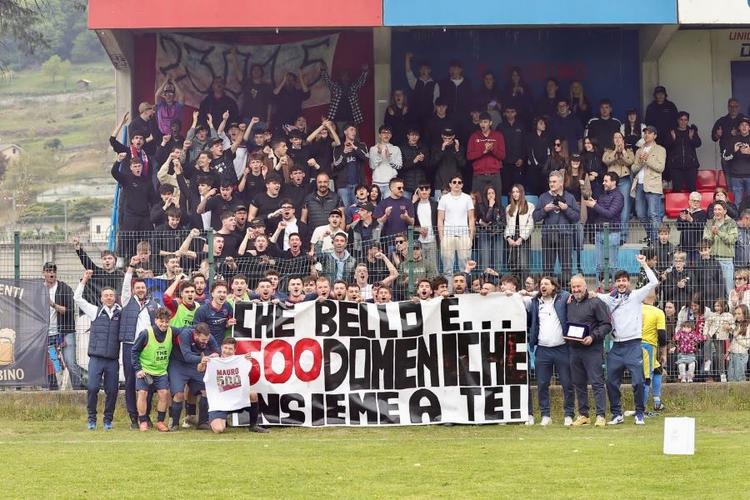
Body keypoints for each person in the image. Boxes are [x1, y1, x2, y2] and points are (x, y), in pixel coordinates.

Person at [596, 254, 658, 425]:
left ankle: (639, 413)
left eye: (624, 280)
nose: (621, 283)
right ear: (614, 283)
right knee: (610, 382)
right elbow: (592, 295)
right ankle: (617, 414)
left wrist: (644, 264)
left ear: (629, 282)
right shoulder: (610, 298)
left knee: (638, 382)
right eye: (618, 281)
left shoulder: (636, 295)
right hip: (616, 347)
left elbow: (654, 282)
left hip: (633, 345)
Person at [74, 270, 122, 430]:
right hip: (96, 358)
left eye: (111, 295)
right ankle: (92, 419)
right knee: (93, 388)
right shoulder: (95, 311)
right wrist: (84, 280)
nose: (109, 298)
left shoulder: (121, 313)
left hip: (112, 360)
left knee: (112, 391)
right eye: (106, 295)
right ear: (101, 298)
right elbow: (77, 298)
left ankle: (108, 420)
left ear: (115, 297)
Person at [526, 276, 574, 426]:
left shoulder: (563, 298)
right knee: (542, 384)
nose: (543, 286)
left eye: (546, 284)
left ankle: (569, 414)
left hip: (562, 348)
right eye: (541, 284)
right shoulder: (534, 302)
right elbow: (521, 299)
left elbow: (573, 294)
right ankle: (545, 415)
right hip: (542, 350)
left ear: (554, 286)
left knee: (567, 383)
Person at [120, 257, 161, 428]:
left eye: (142, 287)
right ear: (133, 290)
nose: (140, 290)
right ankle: (133, 417)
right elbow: (125, 285)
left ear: (146, 289)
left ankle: (145, 416)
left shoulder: (154, 304)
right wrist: (131, 267)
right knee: (130, 383)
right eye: (137, 288)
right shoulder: (126, 301)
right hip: (130, 346)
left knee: (148, 383)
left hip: (148, 348)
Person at [566, 275, 611, 427]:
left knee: (597, 383)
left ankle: (601, 415)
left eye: (578, 286)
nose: (576, 289)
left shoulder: (595, 302)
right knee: (578, 383)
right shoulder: (569, 303)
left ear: (585, 287)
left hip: (592, 349)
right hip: (574, 349)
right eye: (573, 287)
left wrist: (593, 336)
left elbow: (606, 325)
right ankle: (584, 415)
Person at [199, 337, 268, 434]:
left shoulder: (240, 360)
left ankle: (253, 425)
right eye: (225, 348)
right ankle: (216, 420)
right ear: (221, 347)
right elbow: (200, 369)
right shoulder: (214, 359)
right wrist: (202, 363)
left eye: (230, 349)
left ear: (235, 350)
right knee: (219, 429)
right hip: (220, 402)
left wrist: (246, 360)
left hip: (237, 398)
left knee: (253, 394)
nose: (227, 351)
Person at [131, 307, 176, 432]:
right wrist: (138, 369)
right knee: (142, 393)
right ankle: (143, 421)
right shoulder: (146, 333)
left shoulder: (171, 331)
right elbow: (134, 351)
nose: (164, 324)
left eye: (167, 322)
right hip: (145, 370)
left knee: (164, 394)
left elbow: (186, 331)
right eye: (161, 321)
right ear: (156, 320)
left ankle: (160, 422)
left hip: (161, 371)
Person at [168, 322, 220, 430]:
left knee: (205, 391)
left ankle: (202, 422)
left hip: (195, 365)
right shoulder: (185, 334)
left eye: (207, 340)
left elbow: (217, 350)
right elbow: (187, 356)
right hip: (178, 364)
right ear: (196, 335)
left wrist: (216, 354)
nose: (206, 342)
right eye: (203, 340)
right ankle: (174, 423)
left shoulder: (208, 336)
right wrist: (202, 358)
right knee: (179, 394)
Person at [533, 170, 580, 285]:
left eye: (554, 182)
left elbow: (576, 217)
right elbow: (535, 216)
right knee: (547, 267)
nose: (551, 184)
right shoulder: (543, 197)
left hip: (565, 235)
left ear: (561, 183)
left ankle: (566, 290)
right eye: (550, 182)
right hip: (548, 236)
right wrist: (545, 209)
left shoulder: (569, 197)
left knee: (566, 267)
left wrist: (566, 209)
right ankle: (548, 290)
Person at [43, 262, 81, 390]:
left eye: (53, 271)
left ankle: (78, 391)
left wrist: (53, 304)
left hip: (65, 332)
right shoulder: (39, 289)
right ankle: (53, 392)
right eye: (48, 271)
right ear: (43, 273)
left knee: (70, 362)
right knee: (51, 365)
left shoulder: (64, 288)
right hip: (47, 334)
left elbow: (70, 310)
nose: (51, 273)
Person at [584, 172, 624, 286]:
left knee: (612, 265)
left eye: (606, 181)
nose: (603, 183)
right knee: (599, 265)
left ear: (614, 182)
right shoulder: (602, 195)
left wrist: (595, 206)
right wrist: (593, 204)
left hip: (612, 233)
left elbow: (610, 213)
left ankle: (614, 289)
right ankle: (599, 289)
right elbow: (599, 211)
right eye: (603, 181)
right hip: (599, 231)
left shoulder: (618, 196)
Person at [631, 125, 666, 245]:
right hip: (640, 184)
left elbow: (660, 168)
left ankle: (656, 242)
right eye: (645, 132)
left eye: (649, 133)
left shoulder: (660, 149)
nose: (646, 135)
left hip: (653, 185)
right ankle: (652, 236)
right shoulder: (639, 150)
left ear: (655, 135)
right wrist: (641, 162)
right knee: (640, 213)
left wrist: (647, 160)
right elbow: (634, 168)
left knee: (653, 214)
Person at [438, 175, 475, 280]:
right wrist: (442, 238)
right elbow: (440, 219)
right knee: (447, 269)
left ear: (462, 185)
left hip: (463, 235)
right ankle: (449, 289)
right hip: (448, 236)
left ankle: (464, 289)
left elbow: (471, 218)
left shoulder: (467, 198)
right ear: (450, 184)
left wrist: (470, 237)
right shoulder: (444, 198)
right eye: (454, 182)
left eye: (459, 182)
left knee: (465, 268)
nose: (457, 184)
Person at [602, 132, 634, 243]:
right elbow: (606, 160)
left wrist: (623, 150)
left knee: (625, 209)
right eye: (615, 137)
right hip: (612, 182)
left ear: (623, 140)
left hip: (625, 181)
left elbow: (630, 161)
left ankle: (622, 237)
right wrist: (615, 150)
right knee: (611, 208)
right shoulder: (608, 150)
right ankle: (612, 235)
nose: (617, 139)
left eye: (620, 137)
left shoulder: (629, 150)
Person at [703, 200, 738, 297]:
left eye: (719, 209)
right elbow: (706, 241)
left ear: (725, 211)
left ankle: (729, 306)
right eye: (715, 209)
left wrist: (718, 232)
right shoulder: (709, 223)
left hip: (726, 260)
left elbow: (732, 239)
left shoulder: (731, 223)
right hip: (712, 260)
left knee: (728, 289)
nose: (717, 212)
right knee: (714, 290)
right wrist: (712, 234)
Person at [466, 112, 506, 197]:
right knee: (478, 201)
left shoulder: (498, 135)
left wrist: (492, 149)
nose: (483, 124)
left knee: (496, 201)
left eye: (485, 122)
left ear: (490, 123)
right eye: (481, 122)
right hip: (479, 175)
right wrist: (483, 151)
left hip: (494, 174)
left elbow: (503, 156)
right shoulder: (474, 136)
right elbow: (469, 156)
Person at [640, 291, 667, 413]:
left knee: (657, 370)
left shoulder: (636, 309)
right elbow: (662, 335)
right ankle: (642, 409)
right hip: (647, 347)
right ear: (655, 298)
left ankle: (657, 402)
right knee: (646, 377)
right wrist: (663, 353)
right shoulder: (658, 312)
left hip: (633, 345)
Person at [321, 62, 369, 130]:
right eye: (343, 75)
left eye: (346, 75)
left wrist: (365, 71)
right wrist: (323, 71)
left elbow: (361, 81)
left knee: (353, 134)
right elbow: (328, 82)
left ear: (349, 77)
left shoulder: (353, 87)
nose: (344, 77)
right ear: (340, 77)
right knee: (339, 134)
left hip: (352, 118)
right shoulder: (336, 87)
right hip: (338, 117)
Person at [332, 123, 368, 207]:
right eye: (351, 129)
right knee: (345, 210)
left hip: (358, 186)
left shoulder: (361, 145)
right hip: (343, 186)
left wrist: (355, 148)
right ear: (345, 132)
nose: (354, 132)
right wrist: (344, 153)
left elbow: (366, 158)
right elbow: (337, 165)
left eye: (355, 130)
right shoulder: (338, 147)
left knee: (359, 210)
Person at [666, 112, 702, 192]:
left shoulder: (691, 131)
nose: (683, 122)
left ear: (688, 121)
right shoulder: (672, 132)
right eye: (681, 120)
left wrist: (691, 138)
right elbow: (666, 145)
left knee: (692, 190)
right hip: (676, 166)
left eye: (685, 120)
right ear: (678, 120)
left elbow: (698, 144)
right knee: (677, 190)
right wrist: (673, 139)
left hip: (691, 166)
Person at [712, 97, 743, 187]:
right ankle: (731, 196)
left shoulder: (744, 120)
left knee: (742, 182)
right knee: (729, 183)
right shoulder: (722, 121)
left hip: (742, 156)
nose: (733, 108)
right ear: (728, 107)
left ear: (739, 107)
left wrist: (738, 134)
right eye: (731, 106)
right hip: (726, 156)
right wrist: (718, 135)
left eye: (735, 106)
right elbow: (713, 138)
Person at [505, 184, 535, 276]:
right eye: (513, 192)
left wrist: (521, 238)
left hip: (524, 237)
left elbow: (530, 224)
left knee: (524, 263)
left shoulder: (530, 206)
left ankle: (524, 282)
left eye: (517, 192)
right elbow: (507, 224)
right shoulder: (509, 207)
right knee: (513, 263)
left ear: (521, 193)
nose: (515, 194)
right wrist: (508, 238)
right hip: (512, 237)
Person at [703, 299, 733, 382]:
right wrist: (705, 333)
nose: (717, 308)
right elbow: (707, 324)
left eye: (719, 306)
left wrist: (729, 327)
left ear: (724, 306)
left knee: (720, 355)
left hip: (720, 337)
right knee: (707, 343)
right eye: (715, 306)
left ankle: (722, 373)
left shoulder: (728, 315)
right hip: (711, 334)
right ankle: (707, 360)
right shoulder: (712, 315)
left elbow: (733, 325)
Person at [430, 128, 466, 197]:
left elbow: (463, 164)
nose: (447, 140)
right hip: (440, 184)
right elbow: (432, 164)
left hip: (455, 184)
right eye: (445, 138)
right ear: (442, 136)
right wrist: (442, 150)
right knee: (439, 203)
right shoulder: (436, 147)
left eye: (449, 138)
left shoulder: (459, 147)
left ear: (453, 136)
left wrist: (457, 151)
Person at [369, 125, 403, 198]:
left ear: (391, 135)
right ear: (379, 135)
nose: (386, 135)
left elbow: (399, 166)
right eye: (384, 132)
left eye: (388, 133)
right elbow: (372, 166)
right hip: (377, 183)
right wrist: (379, 153)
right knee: (377, 204)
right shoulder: (373, 149)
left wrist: (389, 158)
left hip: (391, 183)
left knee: (389, 204)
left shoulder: (396, 148)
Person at [724, 116, 750, 204]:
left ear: (749, 128)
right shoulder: (733, 139)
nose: (744, 127)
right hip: (736, 176)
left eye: (746, 125)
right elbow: (725, 157)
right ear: (739, 127)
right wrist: (734, 151)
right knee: (738, 202)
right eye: (742, 125)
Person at [676, 192, 708, 264]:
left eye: (698, 201)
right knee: (685, 266)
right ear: (689, 201)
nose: (696, 203)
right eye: (694, 200)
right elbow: (678, 227)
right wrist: (682, 220)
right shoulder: (684, 212)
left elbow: (701, 227)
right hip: (684, 245)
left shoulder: (702, 213)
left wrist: (691, 220)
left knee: (696, 266)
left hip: (697, 246)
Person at [727, 305, 750, 381]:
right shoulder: (738, 325)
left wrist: (737, 336)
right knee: (731, 377)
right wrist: (729, 350)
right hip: (733, 353)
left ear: (745, 314)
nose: (736, 315)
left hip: (741, 354)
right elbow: (734, 340)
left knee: (739, 378)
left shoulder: (748, 326)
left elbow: (747, 343)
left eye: (739, 313)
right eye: (735, 314)